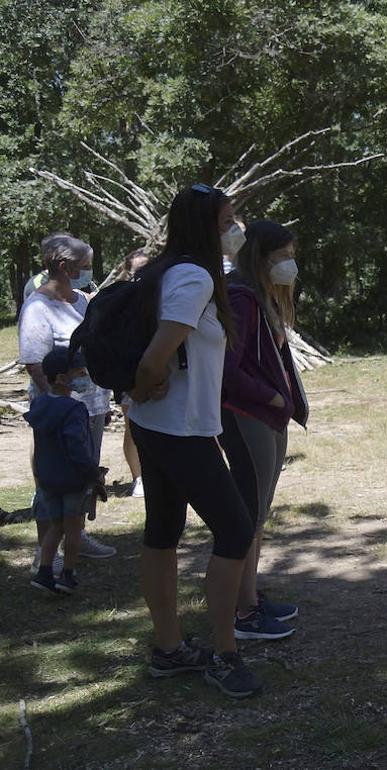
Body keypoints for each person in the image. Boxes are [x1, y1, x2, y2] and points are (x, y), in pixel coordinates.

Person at [128, 183, 260, 698]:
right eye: (227, 220)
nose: (235, 229)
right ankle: (225, 655)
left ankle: (168, 649)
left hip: (158, 424)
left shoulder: (165, 270)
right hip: (179, 429)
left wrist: (141, 398)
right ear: (205, 226)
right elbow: (154, 358)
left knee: (163, 530)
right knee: (234, 530)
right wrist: (141, 386)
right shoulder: (193, 277)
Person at [220, 220, 308, 642]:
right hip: (247, 415)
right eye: (283, 257)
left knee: (259, 513)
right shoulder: (240, 297)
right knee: (248, 515)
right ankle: (243, 613)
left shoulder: (263, 297)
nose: (290, 265)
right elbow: (228, 371)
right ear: (261, 257)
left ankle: (250, 598)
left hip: (268, 417)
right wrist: (272, 399)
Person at [18, 234, 116, 567]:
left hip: (91, 406)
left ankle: (77, 538)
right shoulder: (37, 308)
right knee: (53, 481)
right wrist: (60, 406)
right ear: (63, 266)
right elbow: (35, 365)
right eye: (84, 267)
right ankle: (45, 552)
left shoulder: (83, 302)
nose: (89, 272)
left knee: (82, 477)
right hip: (60, 413)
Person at [25, 347, 98, 595]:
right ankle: (67, 574)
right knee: (73, 527)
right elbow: (77, 448)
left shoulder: (40, 406)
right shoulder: (74, 410)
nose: (84, 377)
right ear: (60, 378)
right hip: (72, 481)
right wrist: (92, 473)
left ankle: (45, 572)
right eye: (79, 373)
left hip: (47, 479)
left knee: (55, 526)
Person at [116, 248, 151, 498]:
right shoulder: (119, 300)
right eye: (137, 269)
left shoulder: (161, 294)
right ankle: (138, 478)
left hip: (159, 370)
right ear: (127, 272)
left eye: (146, 268)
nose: (142, 274)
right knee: (132, 426)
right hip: (127, 372)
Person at [22, 232, 95, 300]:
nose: (88, 270)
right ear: (64, 266)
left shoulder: (84, 282)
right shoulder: (38, 285)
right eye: (85, 266)